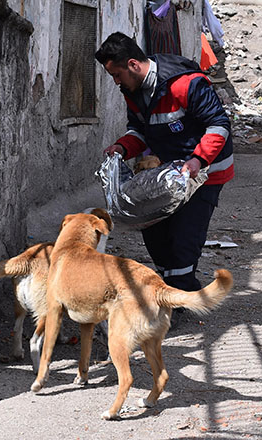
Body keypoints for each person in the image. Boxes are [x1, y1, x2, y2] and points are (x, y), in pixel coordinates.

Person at [95, 32, 234, 325]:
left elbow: (219, 124)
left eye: (117, 74)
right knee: (154, 231)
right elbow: (140, 131)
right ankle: (175, 293)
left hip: (206, 172)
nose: (116, 82)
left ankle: (177, 305)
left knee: (184, 237)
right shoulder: (132, 91)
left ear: (133, 65)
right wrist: (122, 146)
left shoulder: (185, 83)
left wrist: (198, 159)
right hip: (171, 172)